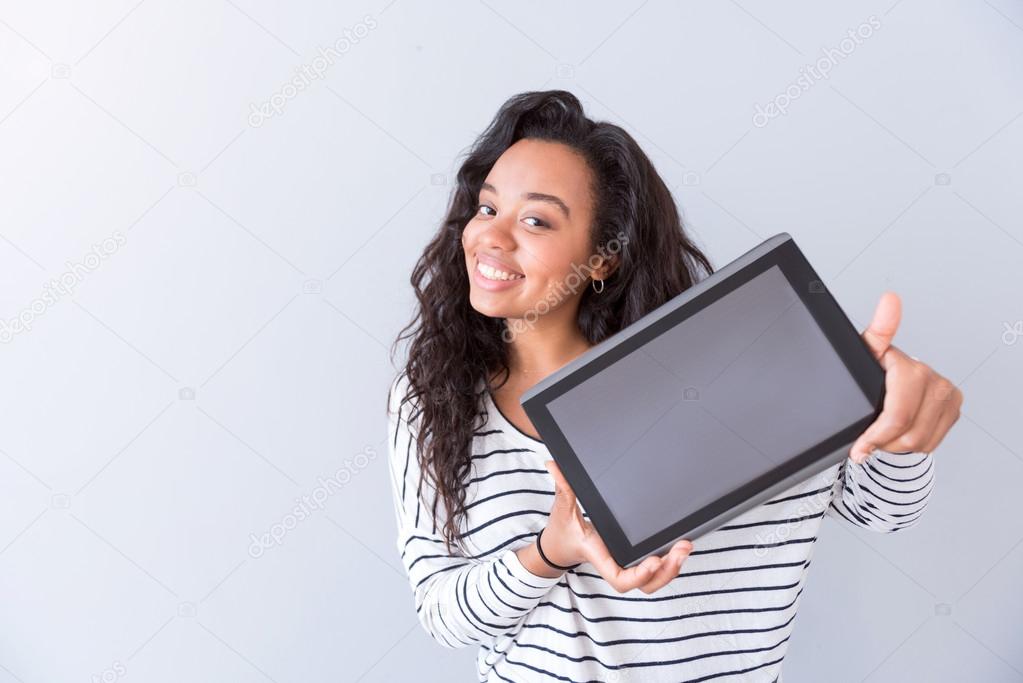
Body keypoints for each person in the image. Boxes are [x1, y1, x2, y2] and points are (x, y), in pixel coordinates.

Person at [386, 90, 962, 682]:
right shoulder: (434, 399)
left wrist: (898, 428)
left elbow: (882, 509)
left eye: (536, 219)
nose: (492, 238)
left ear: (602, 259)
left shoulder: (735, 370)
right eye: (486, 209)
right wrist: (550, 551)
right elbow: (442, 616)